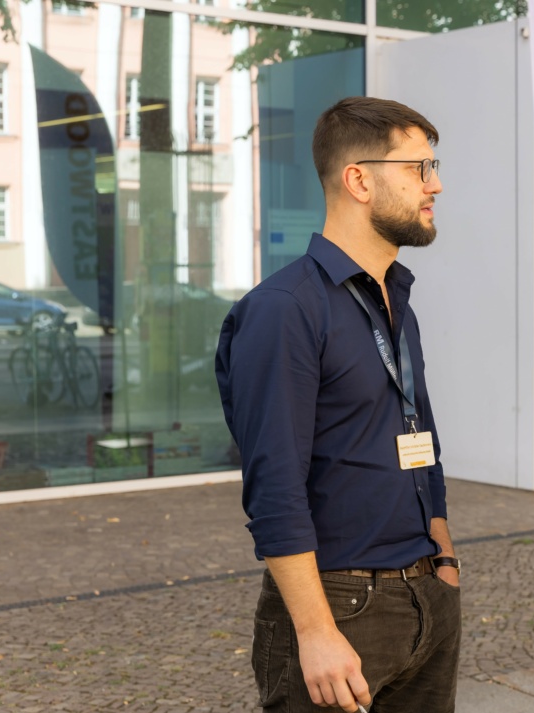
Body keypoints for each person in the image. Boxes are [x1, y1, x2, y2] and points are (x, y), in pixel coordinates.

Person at [215, 96, 461, 713]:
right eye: (418, 169)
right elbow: (273, 488)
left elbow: (419, 435)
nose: (435, 185)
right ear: (358, 180)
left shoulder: (394, 299)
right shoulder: (283, 310)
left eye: (433, 166)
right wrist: (317, 631)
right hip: (338, 606)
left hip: (424, 593)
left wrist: (444, 560)